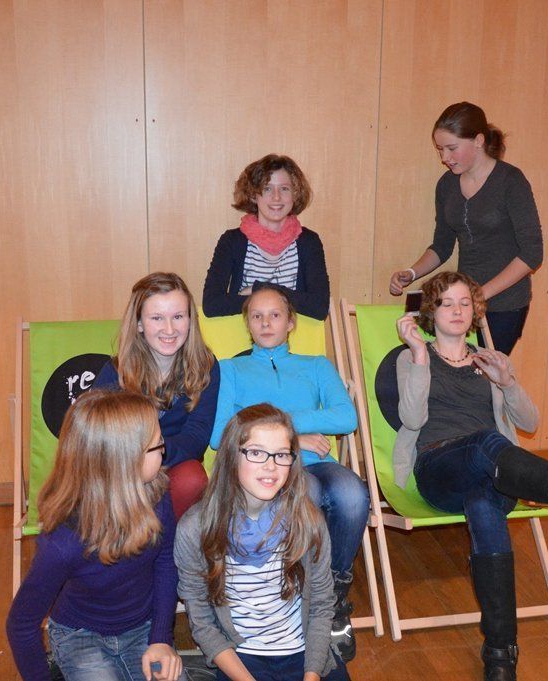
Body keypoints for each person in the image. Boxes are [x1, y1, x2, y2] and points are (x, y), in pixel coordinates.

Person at [393, 271, 548, 681]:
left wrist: (508, 382)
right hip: (438, 469)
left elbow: (530, 422)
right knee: (485, 441)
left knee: (485, 506)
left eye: (465, 302)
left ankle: (500, 653)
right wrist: (418, 357)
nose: (457, 310)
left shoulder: (491, 359)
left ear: (475, 310)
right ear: (431, 310)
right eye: (447, 303)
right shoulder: (411, 357)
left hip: (495, 473)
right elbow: (411, 418)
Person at [209, 286, 366, 663]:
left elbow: (346, 417)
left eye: (275, 315)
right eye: (257, 316)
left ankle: (333, 596)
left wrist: (287, 424)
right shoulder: (230, 369)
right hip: (269, 468)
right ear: (248, 324)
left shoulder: (316, 366)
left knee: (353, 494)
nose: (266, 323)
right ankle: (301, 596)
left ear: (291, 322)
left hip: (317, 460)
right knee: (306, 494)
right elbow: (219, 435)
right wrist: (290, 436)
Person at [6, 390, 183, 681]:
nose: (165, 448)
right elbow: (21, 624)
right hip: (80, 636)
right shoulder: (63, 543)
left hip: (144, 627)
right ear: (125, 462)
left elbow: (166, 562)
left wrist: (161, 638)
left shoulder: (158, 495)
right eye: (158, 444)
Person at [177, 403, 347, 681]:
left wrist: (312, 674)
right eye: (256, 452)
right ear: (232, 456)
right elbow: (202, 620)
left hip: (304, 653)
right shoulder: (195, 528)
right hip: (240, 659)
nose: (271, 466)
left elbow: (320, 604)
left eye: (281, 454)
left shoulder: (307, 521)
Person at [389, 102, 544, 355]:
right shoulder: (446, 185)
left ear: (479, 141)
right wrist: (411, 272)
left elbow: (532, 253)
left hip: (505, 305)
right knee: (458, 371)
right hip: (463, 304)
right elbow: (442, 246)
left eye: (452, 148)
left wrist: (479, 294)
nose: (444, 158)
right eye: (440, 150)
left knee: (487, 373)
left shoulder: (511, 181)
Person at [94, 272, 218, 519]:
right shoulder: (116, 372)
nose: (169, 329)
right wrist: (138, 462)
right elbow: (99, 437)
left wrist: (156, 454)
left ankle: (175, 542)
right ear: (139, 323)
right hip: (125, 467)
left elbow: (197, 436)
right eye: (157, 318)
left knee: (193, 479)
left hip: (176, 460)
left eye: (178, 317)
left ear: (190, 320)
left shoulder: (206, 366)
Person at [203, 154, 330, 320]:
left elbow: (320, 307)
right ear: (253, 195)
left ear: (295, 194)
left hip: (294, 336)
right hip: (243, 336)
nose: (276, 197)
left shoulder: (309, 242)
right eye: (267, 188)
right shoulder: (232, 241)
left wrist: (259, 289)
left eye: (284, 189)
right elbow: (211, 304)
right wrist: (283, 299)